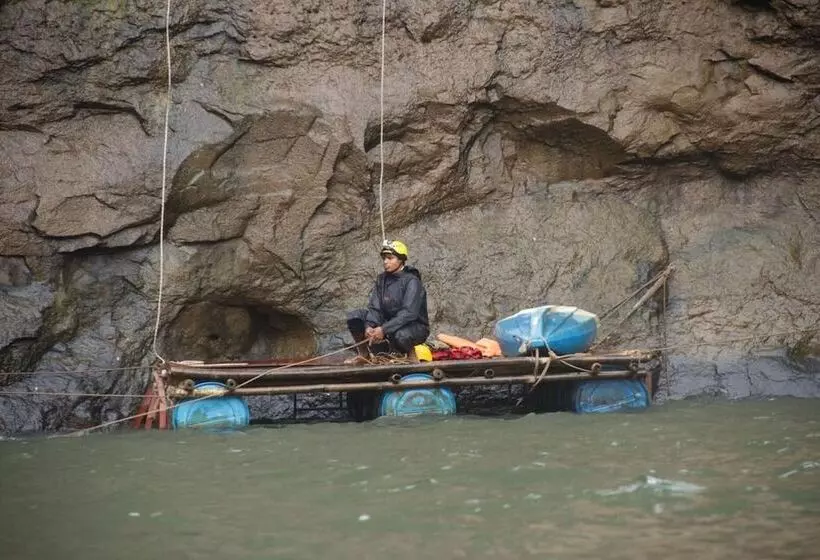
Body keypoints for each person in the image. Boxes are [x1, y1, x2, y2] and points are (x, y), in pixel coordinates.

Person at [346, 240, 429, 362]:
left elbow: (409, 313)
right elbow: (375, 308)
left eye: (390, 258)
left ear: (401, 260)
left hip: (413, 326)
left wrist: (384, 329)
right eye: (384, 258)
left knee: (402, 335)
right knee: (355, 317)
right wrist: (369, 326)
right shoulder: (381, 279)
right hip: (388, 323)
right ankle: (364, 355)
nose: (385, 262)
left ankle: (411, 355)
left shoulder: (412, 281)